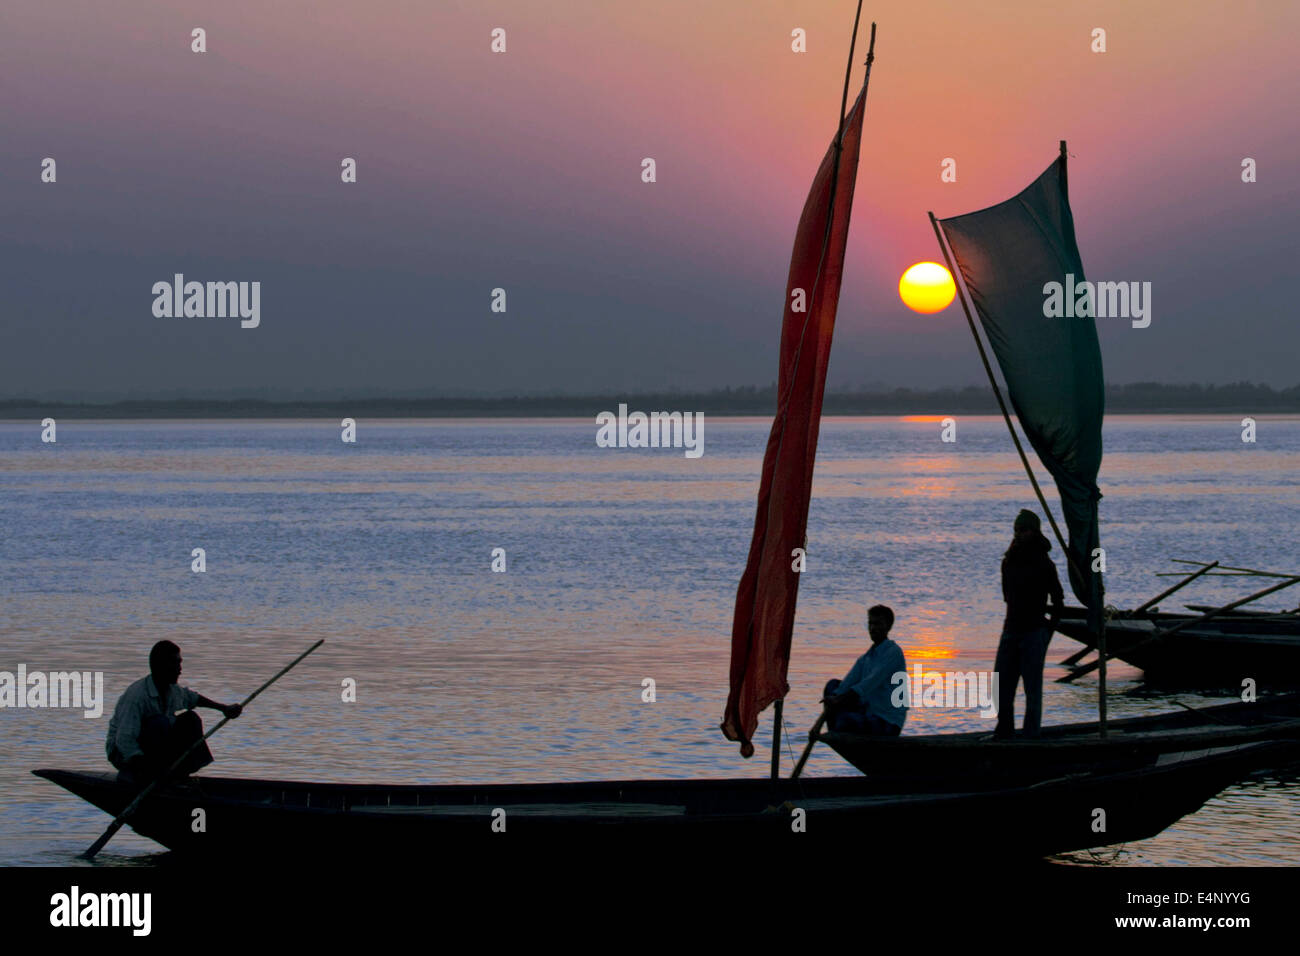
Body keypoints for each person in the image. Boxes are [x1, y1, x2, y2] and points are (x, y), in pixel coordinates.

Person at [106, 640, 242, 781]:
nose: (180, 669)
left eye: (179, 663)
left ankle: (178, 773)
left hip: (152, 750)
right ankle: (142, 774)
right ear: (160, 666)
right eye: (175, 663)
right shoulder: (137, 696)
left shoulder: (172, 690)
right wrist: (143, 768)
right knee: (160, 723)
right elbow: (124, 740)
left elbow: (193, 698)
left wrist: (224, 708)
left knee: (191, 719)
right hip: (123, 754)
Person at [993, 509, 1064, 739]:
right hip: (1010, 631)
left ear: (1034, 532)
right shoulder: (1008, 562)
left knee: (1032, 691)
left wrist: (1047, 634)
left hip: (1034, 633)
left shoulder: (1044, 564)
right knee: (1001, 687)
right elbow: (1007, 596)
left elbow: (1058, 600)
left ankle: (1031, 736)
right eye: (1016, 530)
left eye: (1023, 530)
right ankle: (1004, 731)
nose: (1019, 534)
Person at [822, 604, 907, 736]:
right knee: (832, 686)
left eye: (878, 624)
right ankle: (836, 732)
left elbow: (867, 685)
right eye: (870, 624)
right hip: (869, 712)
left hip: (888, 722)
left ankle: (839, 731)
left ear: (888, 626)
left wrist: (839, 700)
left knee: (846, 721)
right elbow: (848, 683)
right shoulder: (867, 657)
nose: (873, 628)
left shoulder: (893, 653)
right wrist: (834, 697)